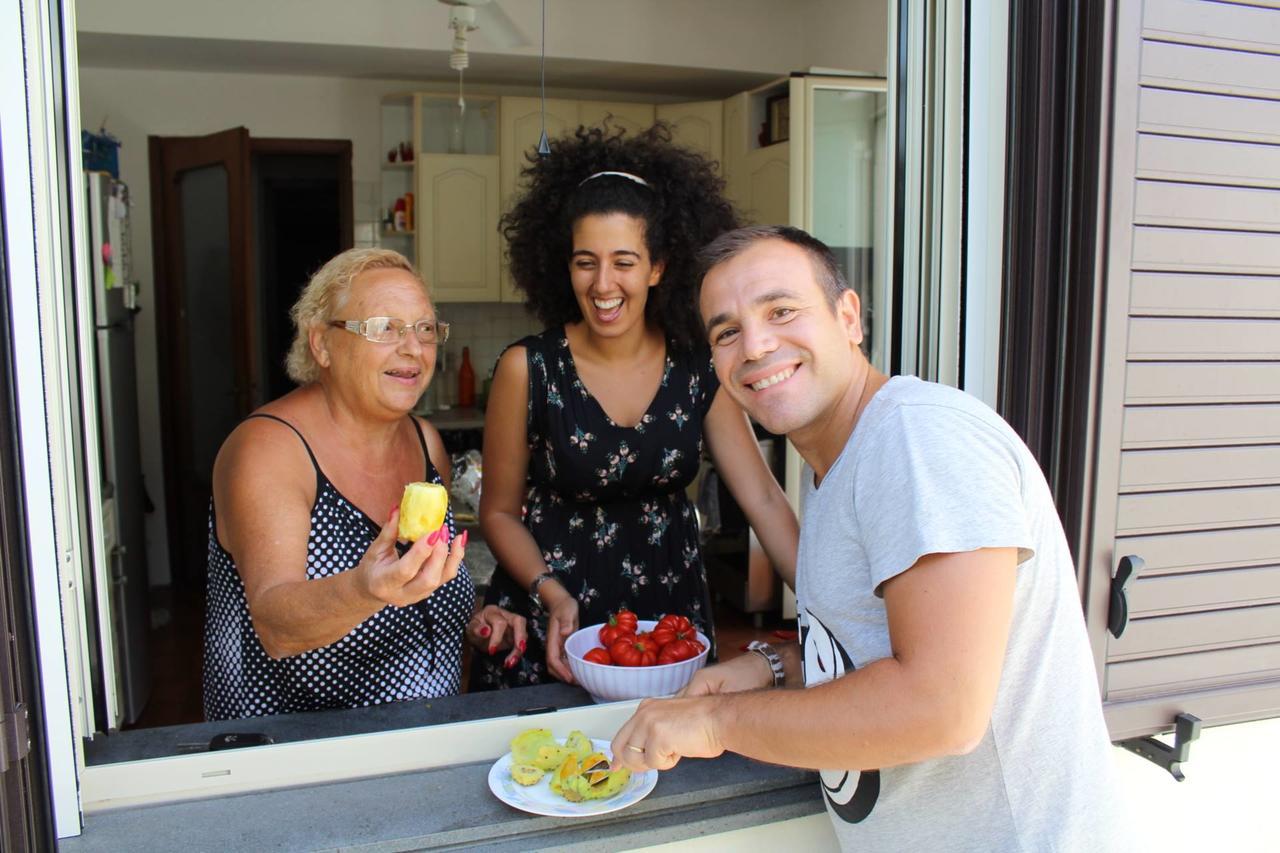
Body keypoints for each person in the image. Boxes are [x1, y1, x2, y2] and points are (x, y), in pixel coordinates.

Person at [611, 226, 1126, 850]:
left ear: (849, 317)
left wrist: (714, 722)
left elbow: (940, 707)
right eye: (726, 332)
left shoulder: (919, 437)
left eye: (781, 310)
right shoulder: (837, 467)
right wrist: (777, 666)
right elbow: (881, 645)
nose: (755, 344)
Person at [475, 125, 799, 690]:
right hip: (553, 610)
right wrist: (550, 592)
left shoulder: (700, 368)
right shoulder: (527, 368)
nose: (604, 283)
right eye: (585, 262)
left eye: (624, 261)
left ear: (657, 267)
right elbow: (498, 512)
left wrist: (831, 612)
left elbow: (765, 501)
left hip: (668, 616)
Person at [203, 248, 526, 721]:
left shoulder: (424, 442)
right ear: (322, 344)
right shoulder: (269, 449)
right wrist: (366, 590)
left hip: (422, 746)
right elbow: (275, 625)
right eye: (384, 328)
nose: (413, 348)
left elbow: (414, 586)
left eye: (424, 329)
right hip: (292, 762)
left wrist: (469, 621)